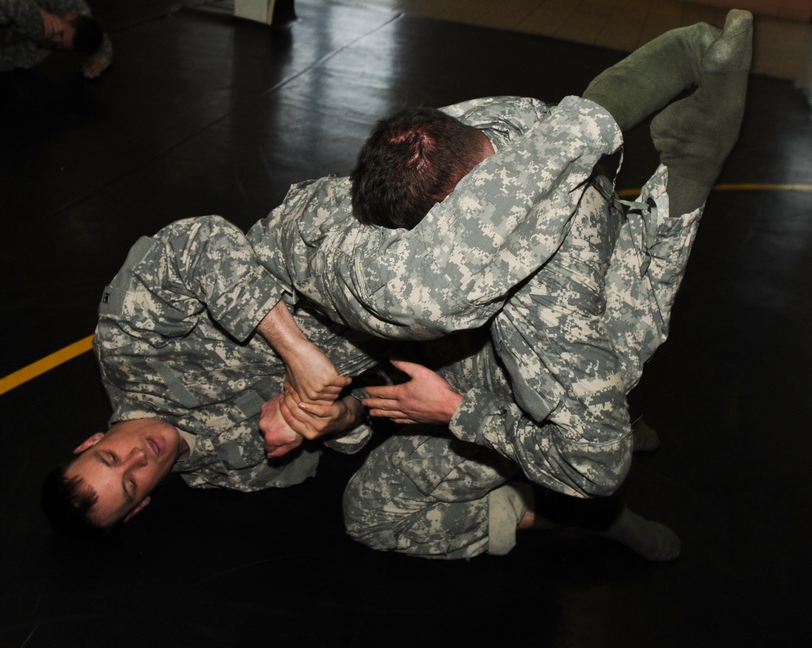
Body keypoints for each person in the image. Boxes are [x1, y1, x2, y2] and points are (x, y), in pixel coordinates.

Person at [41, 18, 744, 555]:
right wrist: (329, 419)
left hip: (314, 254)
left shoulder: (130, 350)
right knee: (593, 378)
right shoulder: (228, 469)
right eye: (131, 482)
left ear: (84, 443)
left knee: (410, 289)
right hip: (406, 348)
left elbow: (196, 243)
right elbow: (350, 430)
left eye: (112, 456)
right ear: (140, 507)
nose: (139, 457)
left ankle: (594, 116)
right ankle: (684, 180)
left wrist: (299, 358)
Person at [334, 12, 751, 558]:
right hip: (605, 252)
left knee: (371, 515)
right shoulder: (490, 123)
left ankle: (581, 518)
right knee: (615, 320)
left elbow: (596, 465)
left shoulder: (541, 303)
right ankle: (690, 171)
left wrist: (453, 411)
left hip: (569, 366)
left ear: (454, 217)